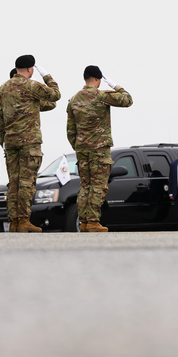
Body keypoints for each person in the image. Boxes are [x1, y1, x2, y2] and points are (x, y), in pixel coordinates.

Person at [0, 54, 60, 233]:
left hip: (10, 141)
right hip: (28, 142)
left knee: (13, 182)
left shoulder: (3, 88)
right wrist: (47, 76)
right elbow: (55, 94)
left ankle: (14, 221)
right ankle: (23, 219)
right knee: (26, 182)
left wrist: (2, 139)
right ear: (31, 69)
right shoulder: (31, 86)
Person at [66, 66, 133, 232]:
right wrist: (115, 86)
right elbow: (127, 100)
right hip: (99, 149)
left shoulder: (74, 99)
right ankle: (93, 222)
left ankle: (84, 222)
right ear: (97, 79)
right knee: (98, 186)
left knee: (85, 186)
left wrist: (79, 146)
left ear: (85, 78)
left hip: (81, 150)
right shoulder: (102, 95)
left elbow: (70, 130)